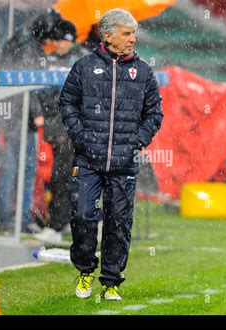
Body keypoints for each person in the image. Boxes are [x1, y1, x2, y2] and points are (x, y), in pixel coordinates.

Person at [59, 9, 163, 301]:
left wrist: (136, 142)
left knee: (119, 223)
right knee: (82, 215)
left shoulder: (143, 71)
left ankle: (111, 283)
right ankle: (84, 272)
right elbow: (67, 102)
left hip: (124, 163)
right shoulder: (83, 66)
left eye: (134, 33)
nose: (133, 39)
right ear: (107, 35)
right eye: (127, 33)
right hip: (87, 160)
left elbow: (155, 113)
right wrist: (81, 137)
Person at [0, 9, 73, 233]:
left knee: (15, 167)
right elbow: (30, 86)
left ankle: (11, 219)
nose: (53, 44)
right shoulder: (30, 50)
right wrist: (37, 113)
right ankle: (17, 220)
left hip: (12, 116)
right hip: (21, 118)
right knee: (23, 168)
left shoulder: (18, 43)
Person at [34, 20, 90, 243]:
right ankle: (65, 221)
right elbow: (44, 95)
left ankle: (59, 225)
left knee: (68, 177)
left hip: (75, 129)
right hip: (59, 129)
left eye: (60, 40)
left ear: (69, 40)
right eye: (54, 40)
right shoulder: (49, 61)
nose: (56, 45)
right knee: (62, 177)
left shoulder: (83, 60)